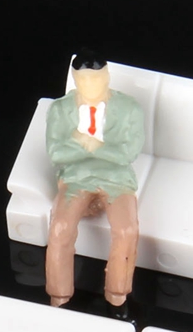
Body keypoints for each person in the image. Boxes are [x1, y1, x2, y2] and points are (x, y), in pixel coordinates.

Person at [44, 50, 144, 307]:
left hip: (117, 180)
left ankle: (117, 297)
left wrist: (88, 143)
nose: (91, 85)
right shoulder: (60, 109)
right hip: (76, 178)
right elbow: (56, 153)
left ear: (107, 76)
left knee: (126, 229)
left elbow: (127, 154)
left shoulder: (129, 108)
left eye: (96, 79)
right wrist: (103, 149)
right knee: (60, 227)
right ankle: (59, 297)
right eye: (84, 80)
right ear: (75, 79)